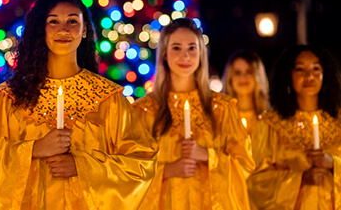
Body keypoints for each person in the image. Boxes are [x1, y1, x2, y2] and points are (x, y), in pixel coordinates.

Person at [0, 0, 158, 210]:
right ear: (40, 30)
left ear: (84, 30)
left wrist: (82, 166)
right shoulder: (9, 98)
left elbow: (141, 162)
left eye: (72, 22)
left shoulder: (108, 99)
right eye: (53, 22)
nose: (64, 29)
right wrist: (34, 149)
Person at [132, 17, 255, 210]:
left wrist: (208, 156)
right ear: (164, 53)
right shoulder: (144, 110)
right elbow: (127, 171)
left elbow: (245, 164)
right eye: (176, 48)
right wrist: (167, 170)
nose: (185, 56)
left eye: (192, 48)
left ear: (201, 53)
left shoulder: (222, 108)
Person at [247, 44, 341, 210]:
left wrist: (333, 164)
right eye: (300, 69)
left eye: (316, 68)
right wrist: (300, 178)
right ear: (288, 76)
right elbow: (256, 182)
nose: (309, 76)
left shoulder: (338, 120)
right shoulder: (270, 125)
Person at [221, 48, 271, 133]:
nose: (243, 77)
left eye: (249, 72)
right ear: (229, 78)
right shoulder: (221, 119)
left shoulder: (270, 120)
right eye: (237, 72)